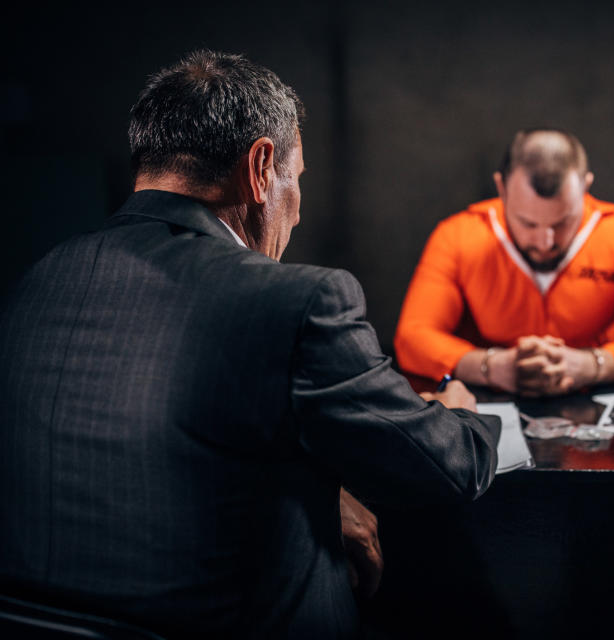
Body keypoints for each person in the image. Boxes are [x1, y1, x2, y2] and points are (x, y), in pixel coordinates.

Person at [0, 50, 500, 639]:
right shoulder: (298, 300)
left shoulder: (39, 277)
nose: (297, 211)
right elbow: (444, 469)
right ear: (262, 168)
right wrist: (460, 415)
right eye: (298, 177)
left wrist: (314, 491)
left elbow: (114, 444)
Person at [394, 128, 614, 396]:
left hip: (591, 403)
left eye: (563, 222)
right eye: (528, 223)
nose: (545, 241)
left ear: (585, 186)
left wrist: (591, 364)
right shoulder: (456, 236)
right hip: (488, 402)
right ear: (501, 187)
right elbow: (413, 337)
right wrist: (489, 366)